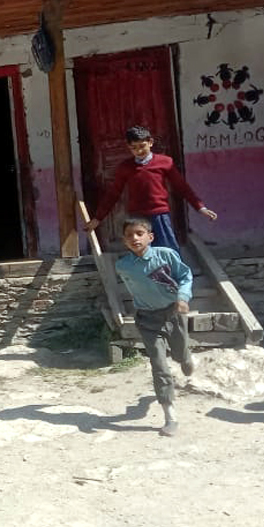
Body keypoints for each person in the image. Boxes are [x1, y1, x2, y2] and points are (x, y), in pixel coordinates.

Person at [114, 217, 195, 437]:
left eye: (139, 233)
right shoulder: (123, 266)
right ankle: (170, 416)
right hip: (147, 320)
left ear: (150, 237)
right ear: (124, 241)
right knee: (159, 365)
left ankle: (185, 356)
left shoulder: (166, 255)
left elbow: (185, 276)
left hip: (173, 313)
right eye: (129, 235)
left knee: (179, 353)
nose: (134, 238)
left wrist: (183, 297)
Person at [84, 125, 217, 253]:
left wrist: (201, 208)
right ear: (129, 147)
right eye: (134, 148)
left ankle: (175, 276)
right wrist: (98, 218)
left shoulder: (165, 162)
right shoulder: (125, 167)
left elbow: (182, 187)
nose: (139, 151)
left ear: (150, 142)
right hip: (137, 217)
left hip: (159, 215)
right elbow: (114, 194)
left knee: (168, 251)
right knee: (141, 251)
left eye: (142, 146)